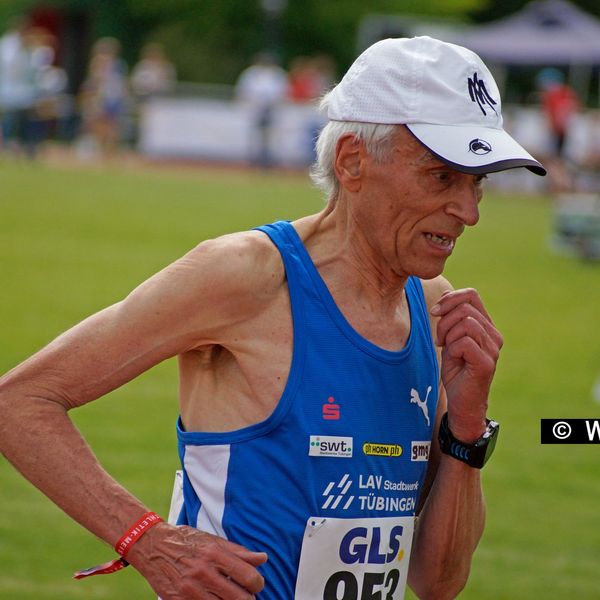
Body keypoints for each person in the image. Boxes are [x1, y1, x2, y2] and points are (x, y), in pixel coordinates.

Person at [0, 36, 545, 599]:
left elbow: (438, 582)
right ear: (353, 160)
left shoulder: (436, 308)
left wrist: (466, 429)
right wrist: (146, 538)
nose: (470, 212)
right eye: (441, 177)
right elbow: (19, 403)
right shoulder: (247, 276)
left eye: (476, 182)